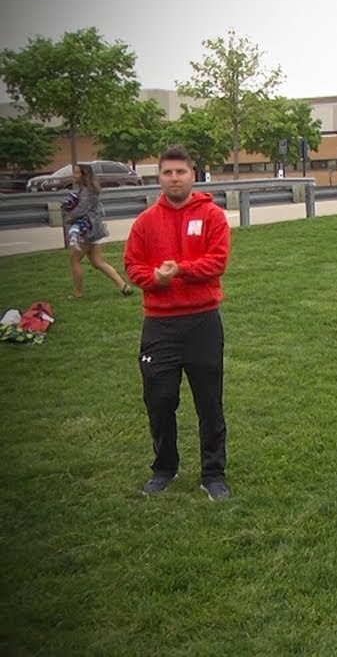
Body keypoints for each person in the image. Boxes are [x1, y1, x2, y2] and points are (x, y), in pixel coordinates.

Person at [123, 145, 230, 500]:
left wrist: (180, 270)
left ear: (192, 175)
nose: (174, 178)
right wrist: (155, 279)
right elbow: (132, 265)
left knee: (209, 402)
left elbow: (216, 262)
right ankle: (164, 468)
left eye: (180, 172)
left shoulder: (212, 215)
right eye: (167, 173)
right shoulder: (145, 222)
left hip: (202, 322)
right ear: (160, 177)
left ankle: (213, 474)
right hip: (160, 325)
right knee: (160, 399)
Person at [66, 164, 132, 298]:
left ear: (84, 175)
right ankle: (123, 286)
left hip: (87, 231)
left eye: (77, 173)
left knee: (74, 259)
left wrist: (69, 214)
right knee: (97, 261)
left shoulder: (87, 191)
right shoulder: (88, 190)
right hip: (94, 229)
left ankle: (77, 294)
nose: (74, 175)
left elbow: (81, 211)